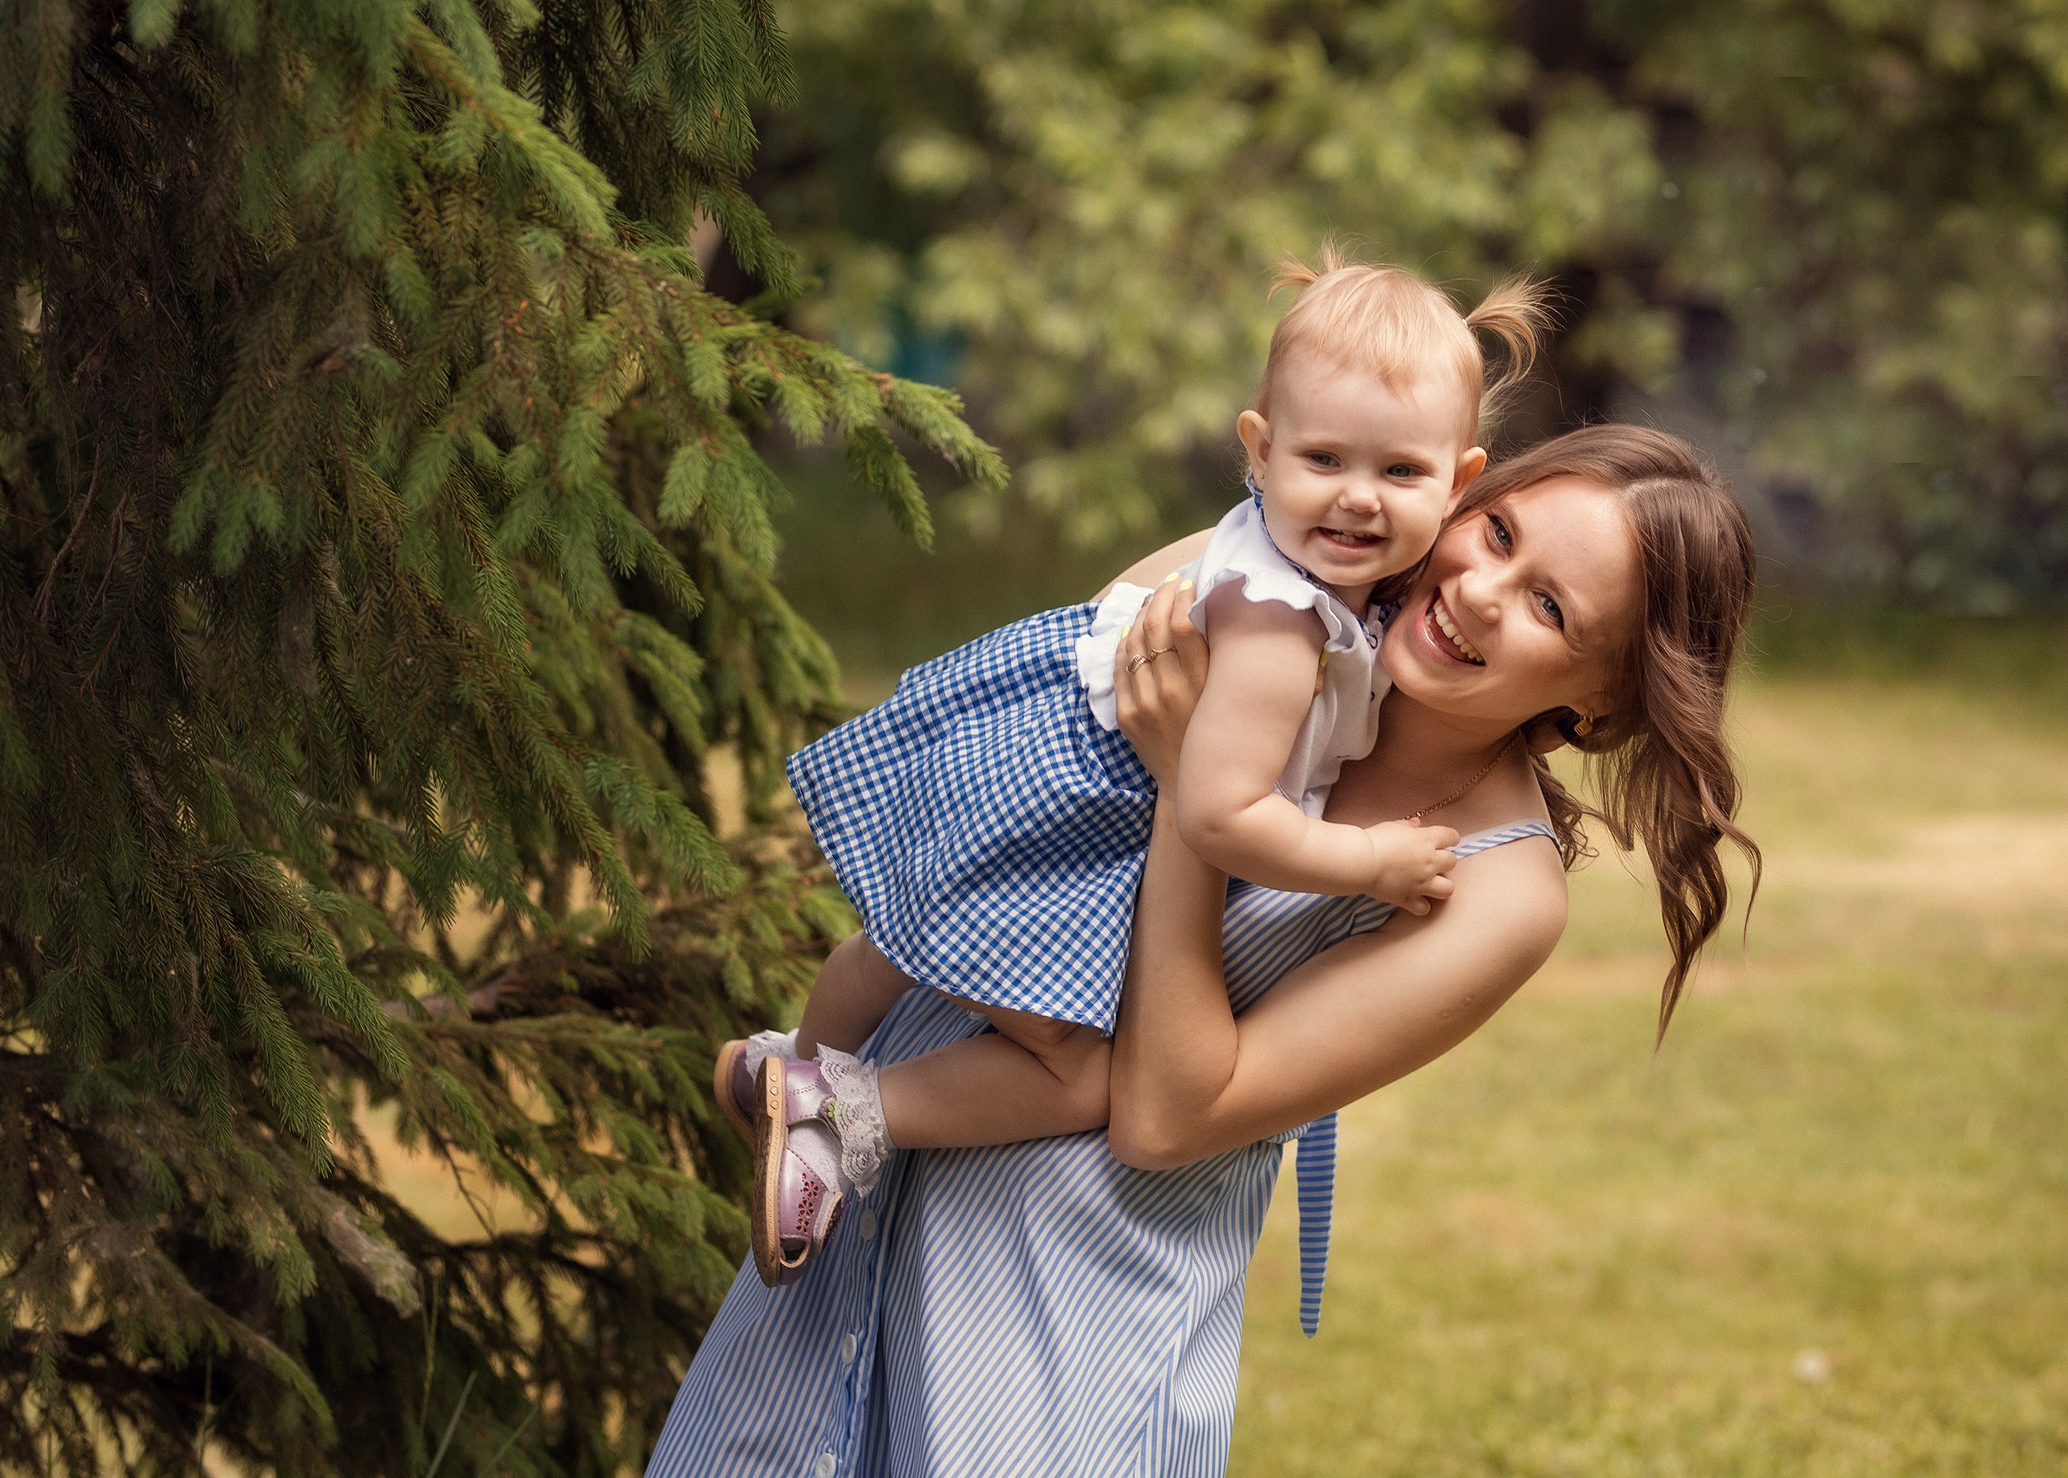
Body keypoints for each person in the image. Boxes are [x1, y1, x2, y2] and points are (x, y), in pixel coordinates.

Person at [642, 426, 1761, 1478]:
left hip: (1053, 1324)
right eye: (1500, 534)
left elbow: (1166, 1118)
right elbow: (1002, 790)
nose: (1477, 591)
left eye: (1549, 608)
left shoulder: (1497, 891)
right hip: (848, 1194)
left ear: (1602, 698)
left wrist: (1197, 790)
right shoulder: (1260, 586)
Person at [724, 249, 1541, 1283]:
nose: (1359, 502)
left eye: (1401, 473)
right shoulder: (1277, 635)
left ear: (1458, 481)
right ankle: (839, 1114)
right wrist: (1367, 862)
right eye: (1324, 461)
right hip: (1070, 825)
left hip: (1008, 774)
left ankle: (784, 1061)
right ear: (1260, 445)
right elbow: (1220, 818)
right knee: (1074, 1076)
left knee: (889, 949)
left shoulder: (1268, 552)